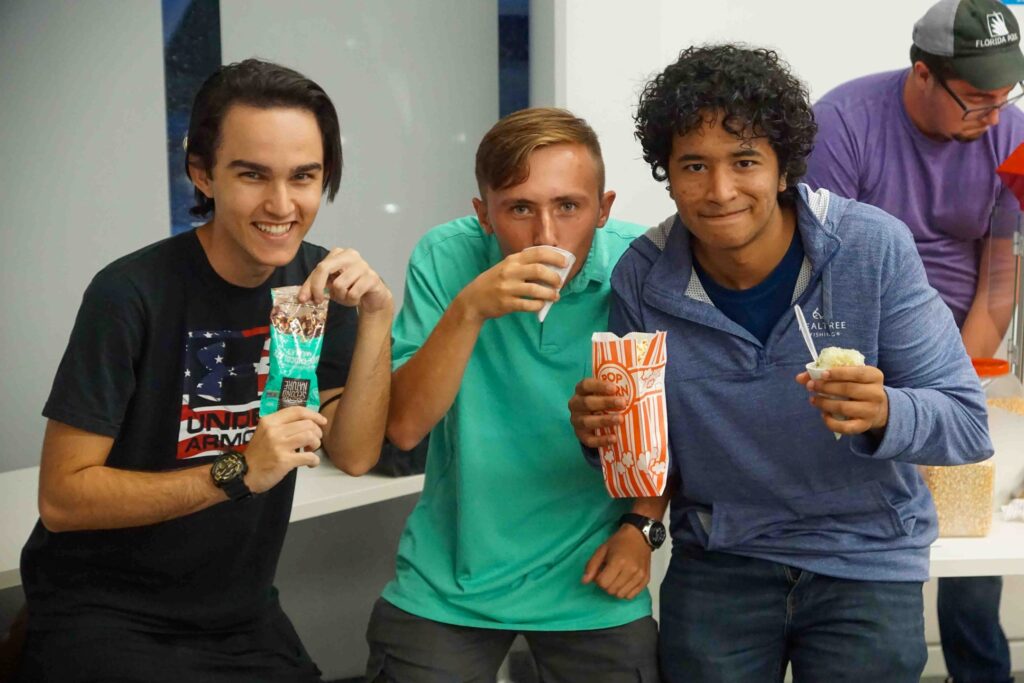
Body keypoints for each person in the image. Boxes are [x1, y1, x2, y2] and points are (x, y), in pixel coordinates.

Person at [569, 44, 994, 683]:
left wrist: (885, 411)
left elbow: (967, 424)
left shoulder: (870, 248)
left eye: (745, 162)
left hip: (865, 556)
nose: (720, 191)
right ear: (667, 171)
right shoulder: (645, 275)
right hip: (721, 559)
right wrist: (601, 435)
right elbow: (644, 453)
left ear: (784, 167)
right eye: (693, 166)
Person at [15, 59, 393, 683]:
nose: (281, 204)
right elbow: (62, 498)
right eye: (252, 175)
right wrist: (238, 470)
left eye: (304, 177)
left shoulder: (317, 285)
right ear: (202, 173)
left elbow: (353, 454)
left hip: (240, 615)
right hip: (104, 613)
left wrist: (378, 318)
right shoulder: (130, 293)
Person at [366, 107, 661, 682]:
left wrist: (643, 528)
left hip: (594, 571)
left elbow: (677, 422)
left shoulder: (643, 264)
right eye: (520, 208)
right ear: (484, 214)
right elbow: (403, 428)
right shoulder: (444, 256)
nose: (545, 236)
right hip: (450, 576)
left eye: (568, 207)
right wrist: (470, 308)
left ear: (603, 209)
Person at [805, 1, 1024, 680]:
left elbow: (997, 278)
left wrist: (949, 380)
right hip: (860, 348)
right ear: (922, 73)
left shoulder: (1010, 132)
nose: (993, 114)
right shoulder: (840, 124)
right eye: (977, 98)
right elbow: (822, 275)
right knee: (866, 531)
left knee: (971, 541)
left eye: (1005, 95)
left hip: (963, 348)